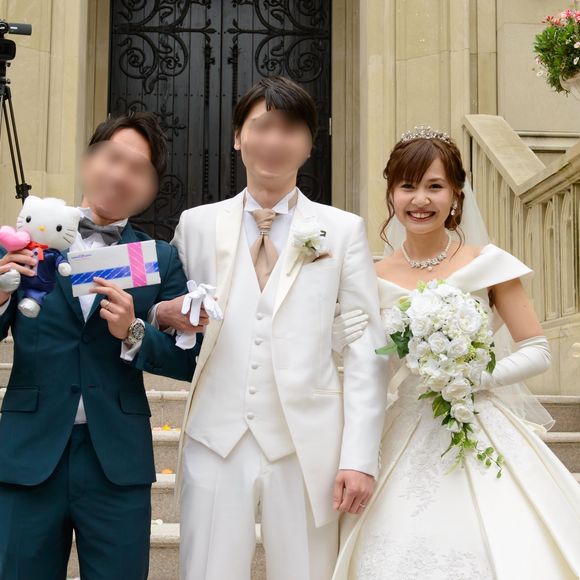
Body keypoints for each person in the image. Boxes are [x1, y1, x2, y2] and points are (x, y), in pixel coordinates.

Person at [132, 76, 388, 580]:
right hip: (215, 438)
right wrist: (161, 314)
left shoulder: (342, 230)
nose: (274, 140)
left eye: (290, 129)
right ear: (237, 137)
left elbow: (367, 351)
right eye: (262, 126)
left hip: (307, 445)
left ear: (309, 145)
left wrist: (359, 456)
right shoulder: (196, 225)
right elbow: (160, 308)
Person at [332, 127, 580, 579]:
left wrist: (473, 377)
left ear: (456, 195)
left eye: (435, 186)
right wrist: (338, 343)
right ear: (391, 193)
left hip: (479, 419)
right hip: (405, 425)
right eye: (407, 186)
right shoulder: (369, 276)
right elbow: (372, 367)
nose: (420, 200)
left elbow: (537, 349)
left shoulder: (488, 264)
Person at [0, 112, 204, 579]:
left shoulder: (158, 258)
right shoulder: (29, 239)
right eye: (113, 158)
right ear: (90, 160)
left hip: (116, 460)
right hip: (29, 452)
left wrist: (134, 332)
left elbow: (188, 360)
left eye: (138, 168)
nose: (120, 175)